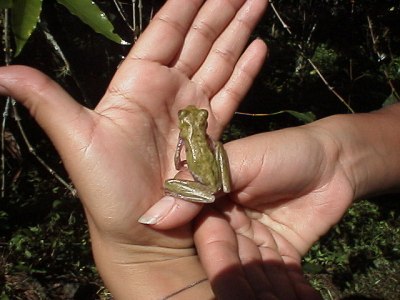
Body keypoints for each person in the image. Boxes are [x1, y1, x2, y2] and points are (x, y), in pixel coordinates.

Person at [0, 0, 399, 298]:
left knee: (188, 182)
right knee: (208, 173)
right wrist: (338, 156)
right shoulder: (202, 136)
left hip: (205, 186)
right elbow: (195, 157)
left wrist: (337, 157)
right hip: (215, 180)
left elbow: (179, 159)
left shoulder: (185, 139)